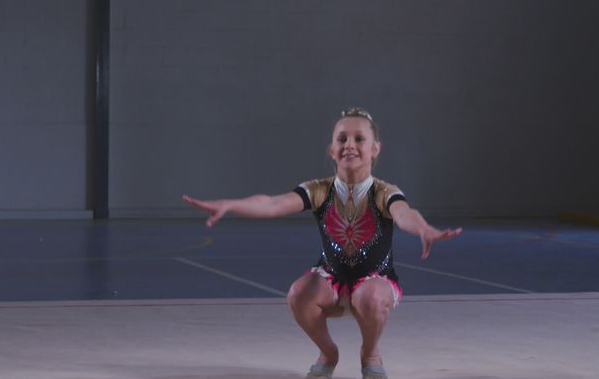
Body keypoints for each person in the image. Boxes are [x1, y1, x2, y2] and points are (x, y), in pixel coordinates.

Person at [183, 107, 463, 379]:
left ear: (375, 148)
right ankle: (328, 353)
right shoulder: (319, 190)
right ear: (331, 150)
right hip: (332, 279)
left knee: (369, 297)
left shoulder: (383, 192)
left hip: (375, 282)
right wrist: (230, 205)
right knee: (298, 295)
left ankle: (370, 354)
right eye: (342, 139)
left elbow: (404, 213)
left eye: (359, 139)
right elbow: (272, 203)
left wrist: (424, 229)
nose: (349, 145)